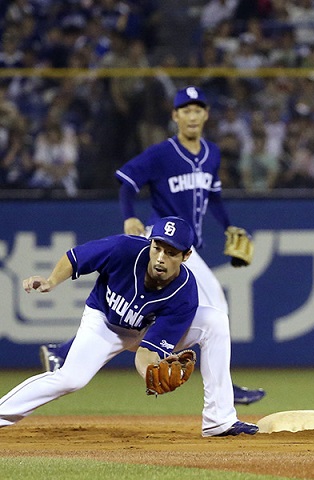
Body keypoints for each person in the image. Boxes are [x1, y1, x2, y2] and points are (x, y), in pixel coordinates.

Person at [40, 85, 265, 413]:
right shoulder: (162, 153)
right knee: (212, 307)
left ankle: (63, 351)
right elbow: (127, 181)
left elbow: (213, 196)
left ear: (205, 115)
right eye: (184, 110)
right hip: (164, 242)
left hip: (188, 246)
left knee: (174, 311)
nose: (191, 115)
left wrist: (229, 225)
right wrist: (129, 215)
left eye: (197, 109)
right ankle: (223, 392)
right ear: (175, 116)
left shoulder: (212, 154)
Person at [0, 217, 254, 436]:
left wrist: (151, 374)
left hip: (145, 330)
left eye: (171, 252)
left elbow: (146, 350)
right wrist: (51, 281)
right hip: (104, 323)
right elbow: (75, 258)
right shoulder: (124, 248)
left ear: (186, 256)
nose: (160, 258)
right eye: (157, 248)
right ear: (150, 243)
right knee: (70, 379)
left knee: (215, 321)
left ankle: (218, 420)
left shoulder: (184, 294)